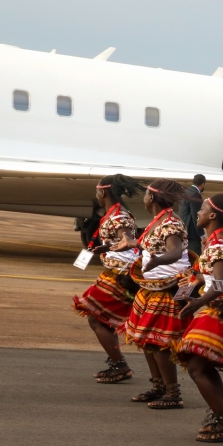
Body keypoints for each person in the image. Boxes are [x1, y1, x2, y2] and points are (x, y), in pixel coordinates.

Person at [176, 193, 223, 442]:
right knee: (200, 364)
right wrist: (200, 279)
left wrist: (198, 301)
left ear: (212, 216)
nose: (197, 212)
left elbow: (220, 285)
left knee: (197, 364)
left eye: (202, 208)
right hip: (222, 304)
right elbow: (220, 279)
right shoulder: (216, 239)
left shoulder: (219, 243)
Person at [124, 178, 191, 409]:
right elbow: (152, 246)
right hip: (150, 288)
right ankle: (158, 387)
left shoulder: (171, 223)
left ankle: (173, 393)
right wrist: (130, 244)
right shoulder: (159, 220)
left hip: (166, 290)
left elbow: (174, 252)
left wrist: (155, 263)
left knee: (158, 341)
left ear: (151, 198)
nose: (143, 198)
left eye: (144, 195)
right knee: (147, 342)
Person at [73, 174, 142, 383]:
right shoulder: (115, 213)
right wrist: (106, 248)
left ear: (102, 192)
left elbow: (127, 239)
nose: (97, 195)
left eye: (97, 191)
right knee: (100, 319)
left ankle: (120, 366)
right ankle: (117, 364)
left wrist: (121, 242)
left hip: (121, 275)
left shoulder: (119, 217)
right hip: (114, 272)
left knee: (95, 317)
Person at [177, 174, 206, 254]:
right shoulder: (195, 195)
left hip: (183, 231)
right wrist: (201, 235)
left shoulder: (185, 192)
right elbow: (196, 216)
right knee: (195, 258)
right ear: (203, 184)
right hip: (192, 234)